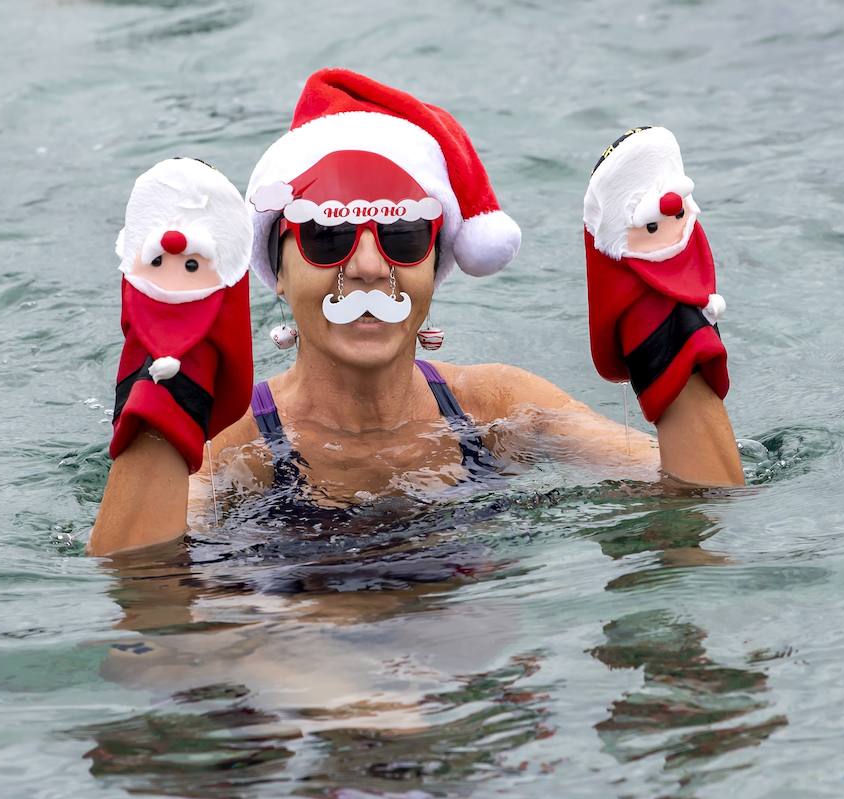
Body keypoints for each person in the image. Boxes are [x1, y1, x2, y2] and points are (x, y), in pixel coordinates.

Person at [88, 69, 743, 558]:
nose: (370, 266)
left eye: (402, 237)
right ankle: (168, 364)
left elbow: (702, 504)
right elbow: (144, 597)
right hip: (293, 687)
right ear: (277, 275)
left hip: (472, 703)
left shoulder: (500, 411)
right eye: (328, 237)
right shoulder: (237, 451)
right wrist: (169, 405)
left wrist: (668, 328)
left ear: (435, 266)